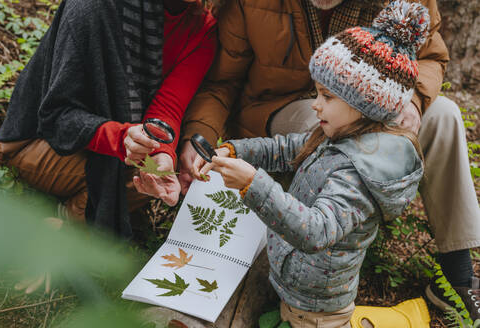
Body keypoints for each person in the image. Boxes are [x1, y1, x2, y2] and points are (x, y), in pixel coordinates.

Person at [179, 0, 480, 318]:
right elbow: (222, 82)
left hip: (366, 101)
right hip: (280, 106)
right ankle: (334, 253)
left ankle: (456, 273)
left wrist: (415, 100)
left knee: (444, 114)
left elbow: (431, 56)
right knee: (330, 132)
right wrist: (199, 136)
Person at [0, 0, 216, 237]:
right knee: (124, 176)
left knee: (149, 176)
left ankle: (71, 214)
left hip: (110, 137)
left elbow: (167, 108)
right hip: (36, 140)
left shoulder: (202, 27)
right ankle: (64, 227)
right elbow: (56, 115)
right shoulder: (94, 6)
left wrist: (160, 154)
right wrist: (121, 140)